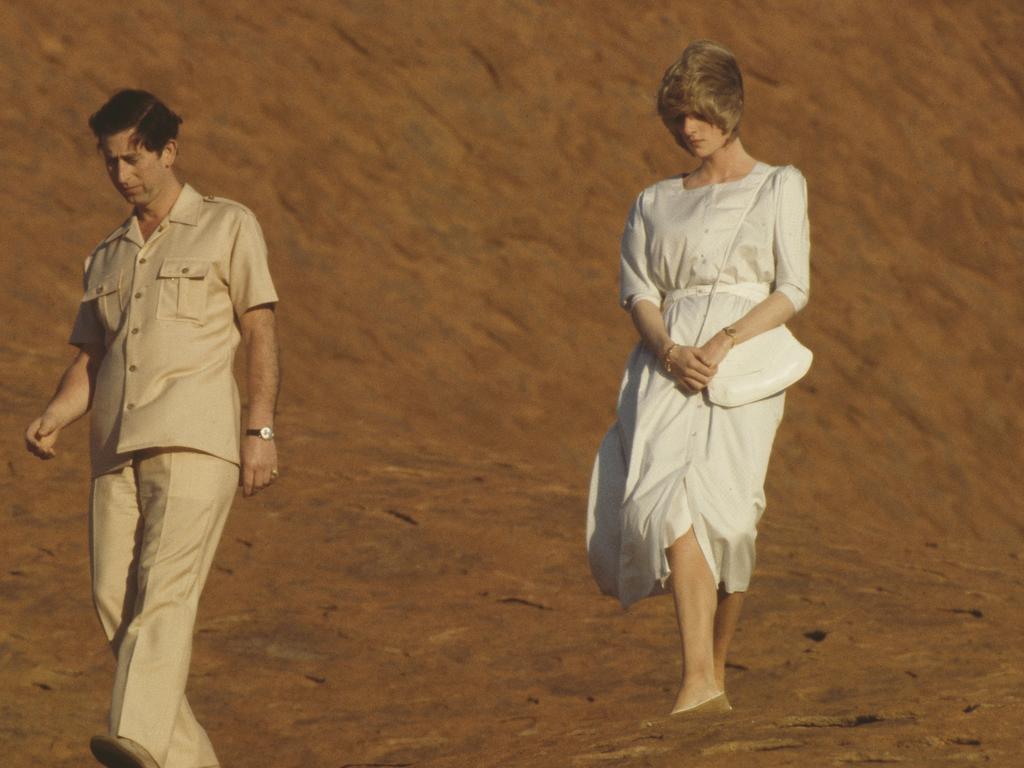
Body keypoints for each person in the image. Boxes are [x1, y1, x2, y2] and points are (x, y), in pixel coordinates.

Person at [24, 89, 281, 768]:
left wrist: (259, 430)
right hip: (111, 449)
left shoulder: (228, 225)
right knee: (116, 602)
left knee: (166, 593)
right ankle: (187, 760)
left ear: (170, 150)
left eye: (134, 158)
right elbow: (91, 357)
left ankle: (135, 738)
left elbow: (260, 328)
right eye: (111, 162)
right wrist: (54, 413)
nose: (122, 175)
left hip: (196, 439)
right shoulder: (105, 255)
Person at [586, 40, 810, 716]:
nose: (688, 129)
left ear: (729, 108)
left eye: (698, 114)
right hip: (667, 370)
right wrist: (668, 348)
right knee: (673, 505)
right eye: (677, 116)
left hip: (745, 363)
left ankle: (713, 671)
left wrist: (724, 339)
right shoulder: (655, 202)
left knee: (733, 520)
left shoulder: (778, 184)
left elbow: (792, 287)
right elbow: (639, 290)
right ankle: (694, 681)